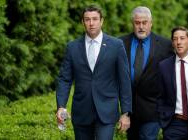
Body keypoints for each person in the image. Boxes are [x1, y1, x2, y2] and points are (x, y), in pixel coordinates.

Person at [56, 5, 132, 140]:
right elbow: (65, 79)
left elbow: (124, 80)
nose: (91, 23)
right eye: (87, 19)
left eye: (95, 19)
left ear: (101, 21)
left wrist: (125, 113)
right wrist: (61, 106)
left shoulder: (116, 45)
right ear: (82, 22)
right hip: (81, 112)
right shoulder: (72, 47)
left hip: (107, 112)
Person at [120, 6, 174, 140]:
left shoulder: (165, 45)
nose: (141, 27)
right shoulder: (120, 43)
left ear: (151, 23)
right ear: (132, 23)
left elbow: (172, 75)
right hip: (128, 109)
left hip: (153, 110)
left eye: (145, 23)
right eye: (137, 23)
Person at [158, 26, 188, 139]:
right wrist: (163, 118)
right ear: (172, 43)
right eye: (175, 39)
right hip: (174, 123)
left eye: (182, 38)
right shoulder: (164, 66)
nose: (178, 42)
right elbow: (160, 95)